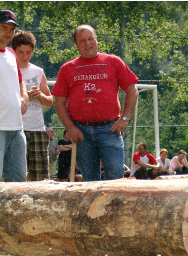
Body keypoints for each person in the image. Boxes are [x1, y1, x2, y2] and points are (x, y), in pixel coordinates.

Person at [52, 24, 139, 181]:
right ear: (76, 44)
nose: (88, 44)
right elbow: (59, 102)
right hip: (81, 132)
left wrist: (125, 119)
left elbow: (132, 90)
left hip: (110, 129)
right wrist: (70, 128)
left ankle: (115, 206)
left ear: (96, 40)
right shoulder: (67, 68)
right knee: (89, 180)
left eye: (91, 39)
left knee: (115, 178)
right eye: (82, 40)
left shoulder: (113, 62)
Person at [0, 10, 29, 182]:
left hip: (17, 127)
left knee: (19, 180)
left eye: (11, 29)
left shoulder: (11, 53)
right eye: (4, 27)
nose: (8, 32)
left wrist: (24, 95)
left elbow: (20, 80)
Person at [12, 30, 54, 181]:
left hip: (37, 129)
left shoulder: (38, 71)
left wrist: (40, 96)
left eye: (28, 52)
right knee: (13, 176)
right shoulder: (8, 69)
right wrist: (23, 96)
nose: (24, 57)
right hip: (14, 128)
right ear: (13, 51)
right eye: (20, 52)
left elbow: (49, 102)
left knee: (40, 178)